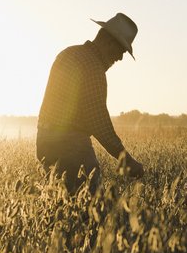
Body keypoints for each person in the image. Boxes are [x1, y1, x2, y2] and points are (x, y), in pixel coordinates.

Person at [36, 13, 144, 194]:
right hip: (71, 145)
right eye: (121, 51)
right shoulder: (93, 68)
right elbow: (99, 123)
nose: (120, 58)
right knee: (93, 205)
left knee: (60, 204)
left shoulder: (68, 53)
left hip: (44, 140)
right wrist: (126, 159)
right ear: (109, 43)